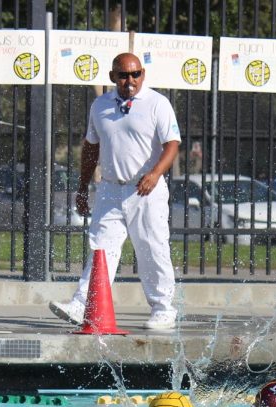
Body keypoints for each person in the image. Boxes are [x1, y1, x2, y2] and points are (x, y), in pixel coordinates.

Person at [48, 52, 182, 331]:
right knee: (101, 249)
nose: (130, 80)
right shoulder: (100, 106)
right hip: (110, 188)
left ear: (143, 74)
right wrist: (82, 187)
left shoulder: (158, 103)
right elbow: (90, 148)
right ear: (113, 77)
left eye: (135, 74)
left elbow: (172, 145)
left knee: (151, 248)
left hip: (145, 189)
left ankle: (163, 308)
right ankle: (82, 303)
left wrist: (155, 174)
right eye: (123, 75)